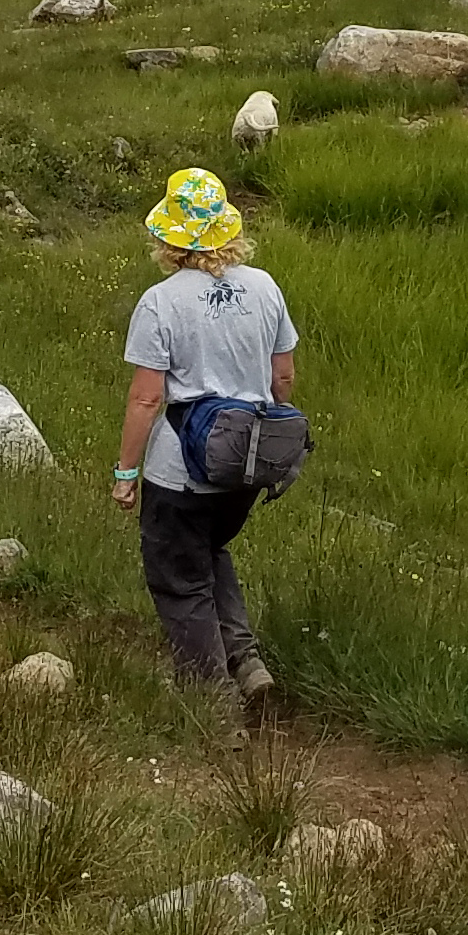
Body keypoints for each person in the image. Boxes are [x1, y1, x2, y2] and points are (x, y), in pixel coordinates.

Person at [110, 167, 297, 714]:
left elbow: (147, 399)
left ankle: (211, 699)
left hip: (180, 471)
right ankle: (245, 662)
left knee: (177, 576)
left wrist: (126, 474)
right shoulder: (264, 287)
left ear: (169, 237)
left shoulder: (161, 302)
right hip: (245, 463)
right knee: (210, 551)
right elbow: (281, 378)